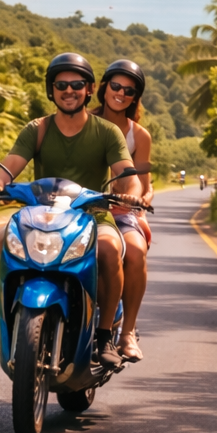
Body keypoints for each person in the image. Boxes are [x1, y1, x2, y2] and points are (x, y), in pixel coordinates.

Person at [0, 53, 141, 371]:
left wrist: (130, 195)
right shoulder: (36, 129)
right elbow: (8, 168)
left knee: (108, 249)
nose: (69, 90)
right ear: (51, 90)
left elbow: (127, 174)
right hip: (41, 216)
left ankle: (105, 334)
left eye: (77, 84)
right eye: (61, 85)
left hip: (93, 216)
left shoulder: (107, 132)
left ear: (90, 89)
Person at [96, 59, 152, 363]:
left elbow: (142, 183)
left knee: (134, 251)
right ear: (104, 87)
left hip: (120, 210)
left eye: (129, 90)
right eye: (115, 86)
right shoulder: (82, 120)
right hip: (81, 206)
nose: (120, 93)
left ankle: (127, 331)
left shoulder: (138, 135)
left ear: (135, 97)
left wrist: (136, 199)